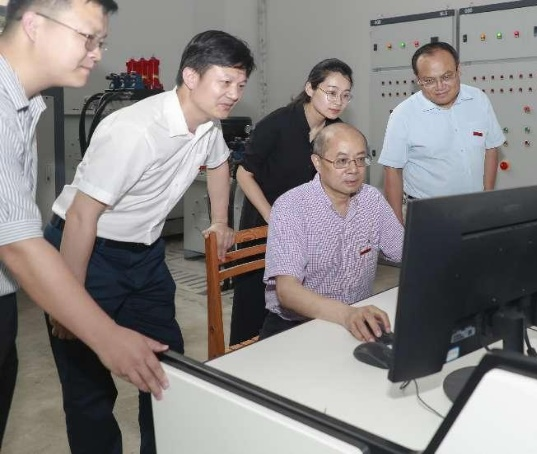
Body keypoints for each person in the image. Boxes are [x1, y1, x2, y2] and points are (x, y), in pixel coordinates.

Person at [43, 30, 254, 453]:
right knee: (89, 390)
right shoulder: (134, 130)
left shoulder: (207, 125)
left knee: (166, 369)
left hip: (145, 256)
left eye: (241, 84)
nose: (234, 94)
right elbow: (83, 217)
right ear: (191, 76)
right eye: (225, 82)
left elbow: (219, 163)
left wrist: (219, 221)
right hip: (85, 252)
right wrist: (69, 301)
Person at [0, 0, 172, 447]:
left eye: (102, 42)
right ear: (34, 24)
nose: (96, 53)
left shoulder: (24, 105)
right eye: (87, 38)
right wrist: (106, 336)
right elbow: (17, 243)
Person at [232, 58, 353, 345]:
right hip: (264, 225)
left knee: (301, 304)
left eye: (345, 95)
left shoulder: (335, 131)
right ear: (310, 88)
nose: (338, 101)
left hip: (309, 230)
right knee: (254, 306)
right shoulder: (278, 123)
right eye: (331, 92)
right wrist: (273, 216)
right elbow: (244, 173)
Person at [260, 123, 404, 342]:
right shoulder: (292, 206)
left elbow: (406, 251)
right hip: (297, 326)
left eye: (360, 159)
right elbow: (287, 291)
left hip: (355, 319)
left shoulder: (371, 200)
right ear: (317, 162)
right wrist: (346, 315)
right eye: (342, 161)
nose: (353, 169)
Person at [378, 41, 505, 223]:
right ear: (418, 80)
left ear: (458, 70)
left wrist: (487, 197)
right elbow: (392, 170)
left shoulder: (478, 100)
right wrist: (396, 228)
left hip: (475, 209)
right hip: (426, 213)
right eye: (429, 81)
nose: (440, 86)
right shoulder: (403, 115)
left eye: (447, 76)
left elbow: (491, 148)